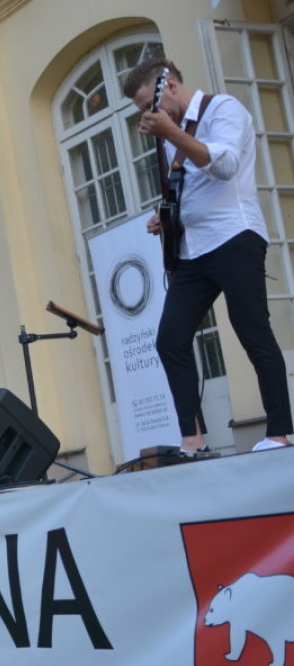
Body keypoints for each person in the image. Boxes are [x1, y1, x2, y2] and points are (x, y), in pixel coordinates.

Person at [124, 57, 292, 455]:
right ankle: (193, 439)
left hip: (234, 236)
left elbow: (226, 166)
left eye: (149, 105)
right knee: (170, 339)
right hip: (193, 249)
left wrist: (172, 133)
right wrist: (166, 216)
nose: (148, 115)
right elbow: (190, 187)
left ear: (170, 86)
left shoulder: (223, 109)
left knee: (253, 331)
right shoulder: (168, 134)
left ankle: (280, 433)